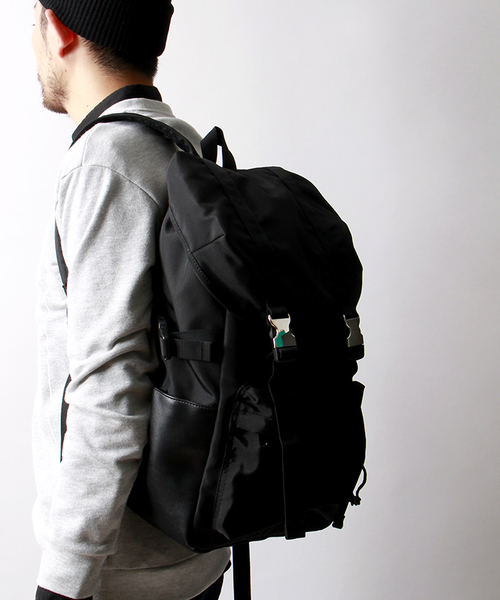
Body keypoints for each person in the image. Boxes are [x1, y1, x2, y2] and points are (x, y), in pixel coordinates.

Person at [31, 1, 230, 599]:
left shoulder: (106, 163)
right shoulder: (183, 144)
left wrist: (63, 579)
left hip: (122, 574)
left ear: (59, 29)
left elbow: (110, 387)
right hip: (192, 550)